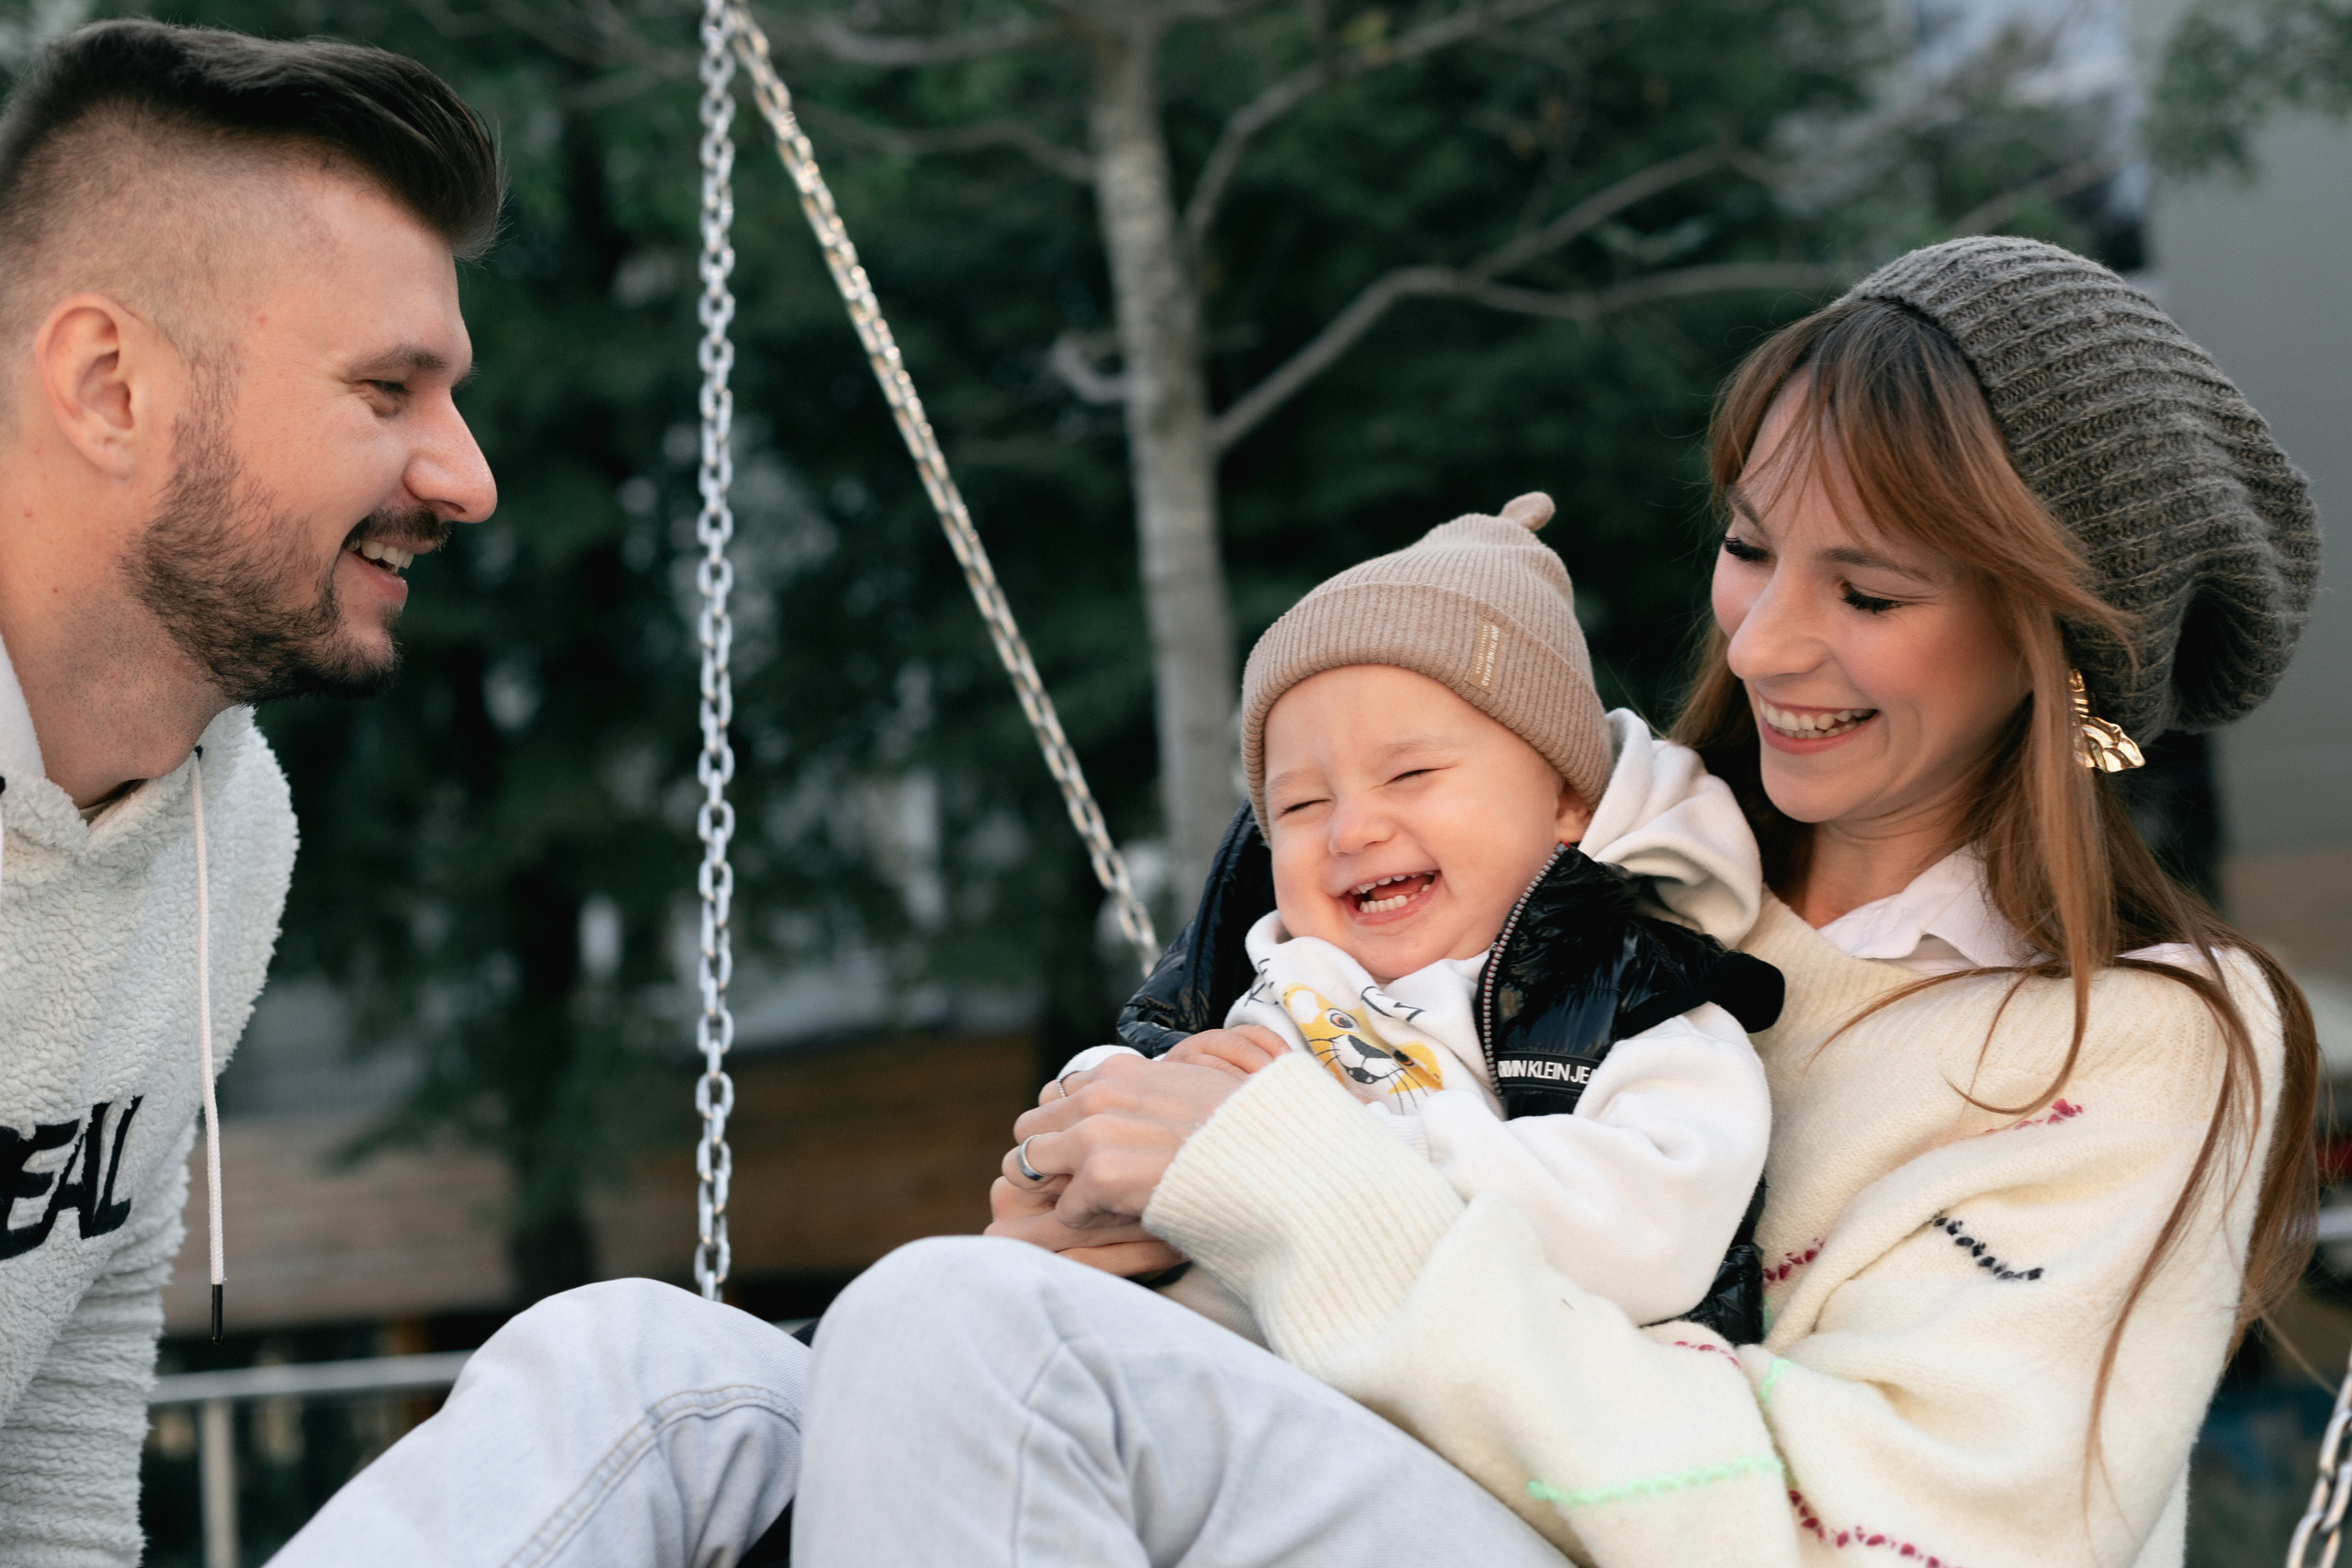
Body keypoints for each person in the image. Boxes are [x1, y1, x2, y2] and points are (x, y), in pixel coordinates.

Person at [277, 237, 2319, 1568]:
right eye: (1745, 548)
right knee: (642, 1361)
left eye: (1864, 593)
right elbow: (1270, 1142)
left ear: (2055, 643)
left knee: (953, 1331)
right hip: (1355, 1478)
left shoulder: (2129, 1041)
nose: (1767, 636)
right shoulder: (1576, 874)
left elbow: (1888, 1529)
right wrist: (1114, 1217)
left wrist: (1272, 1187)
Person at [0, 20, 499, 1562]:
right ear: (109, 385)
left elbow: (62, 1429)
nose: (466, 475)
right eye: (387, 389)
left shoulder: (239, 827)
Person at [1046, 493, 1783, 1344]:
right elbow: (1132, 1128)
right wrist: (1100, 1097)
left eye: (1410, 775)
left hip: (1439, 1404)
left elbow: (1650, 1233)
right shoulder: (1273, 987)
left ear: (1567, 800)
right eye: (1300, 803)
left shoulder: (1635, 1007)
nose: (1350, 828)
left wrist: (1289, 1146)